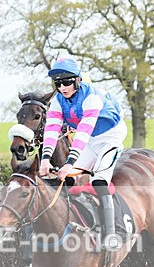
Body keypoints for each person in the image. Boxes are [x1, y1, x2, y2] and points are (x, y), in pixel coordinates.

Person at [38, 58, 127, 251]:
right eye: (58, 83)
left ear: (78, 80)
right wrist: (45, 159)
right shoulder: (57, 102)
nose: (62, 87)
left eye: (67, 82)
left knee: (99, 181)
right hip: (92, 138)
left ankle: (112, 234)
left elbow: (83, 133)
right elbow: (52, 130)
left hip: (110, 135)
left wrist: (70, 162)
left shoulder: (91, 98)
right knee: (66, 177)